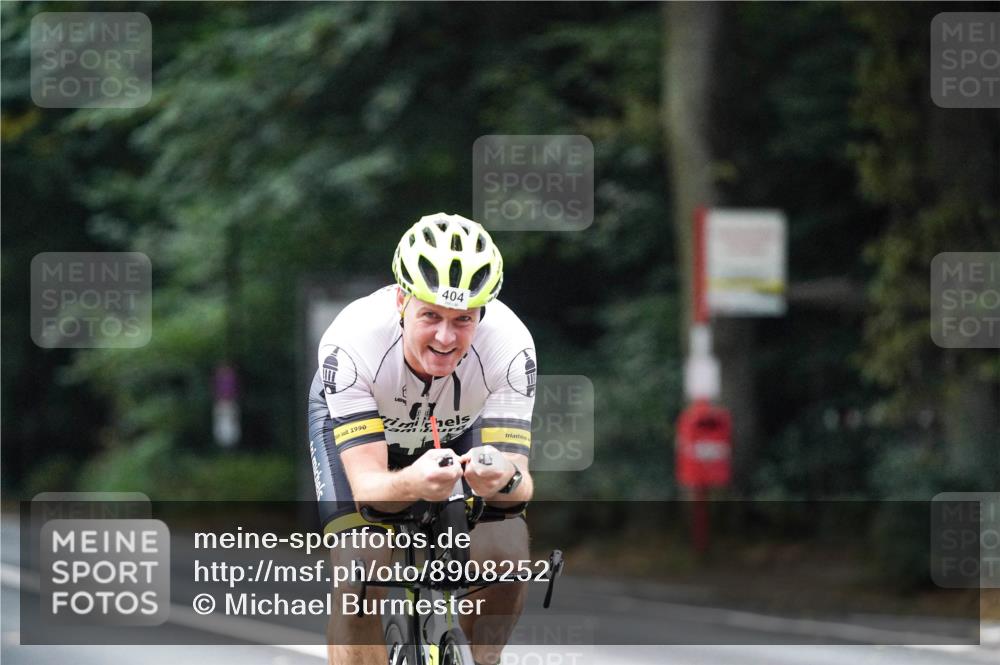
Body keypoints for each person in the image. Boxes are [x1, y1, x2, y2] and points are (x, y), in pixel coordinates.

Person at [307, 212, 536, 665]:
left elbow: (520, 487)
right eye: (430, 315)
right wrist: (413, 483)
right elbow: (370, 485)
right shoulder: (352, 344)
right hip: (366, 440)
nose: (446, 337)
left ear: (482, 314)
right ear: (400, 300)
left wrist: (502, 477)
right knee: (360, 573)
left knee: (508, 558)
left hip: (458, 428)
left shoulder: (510, 349)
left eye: (463, 319)